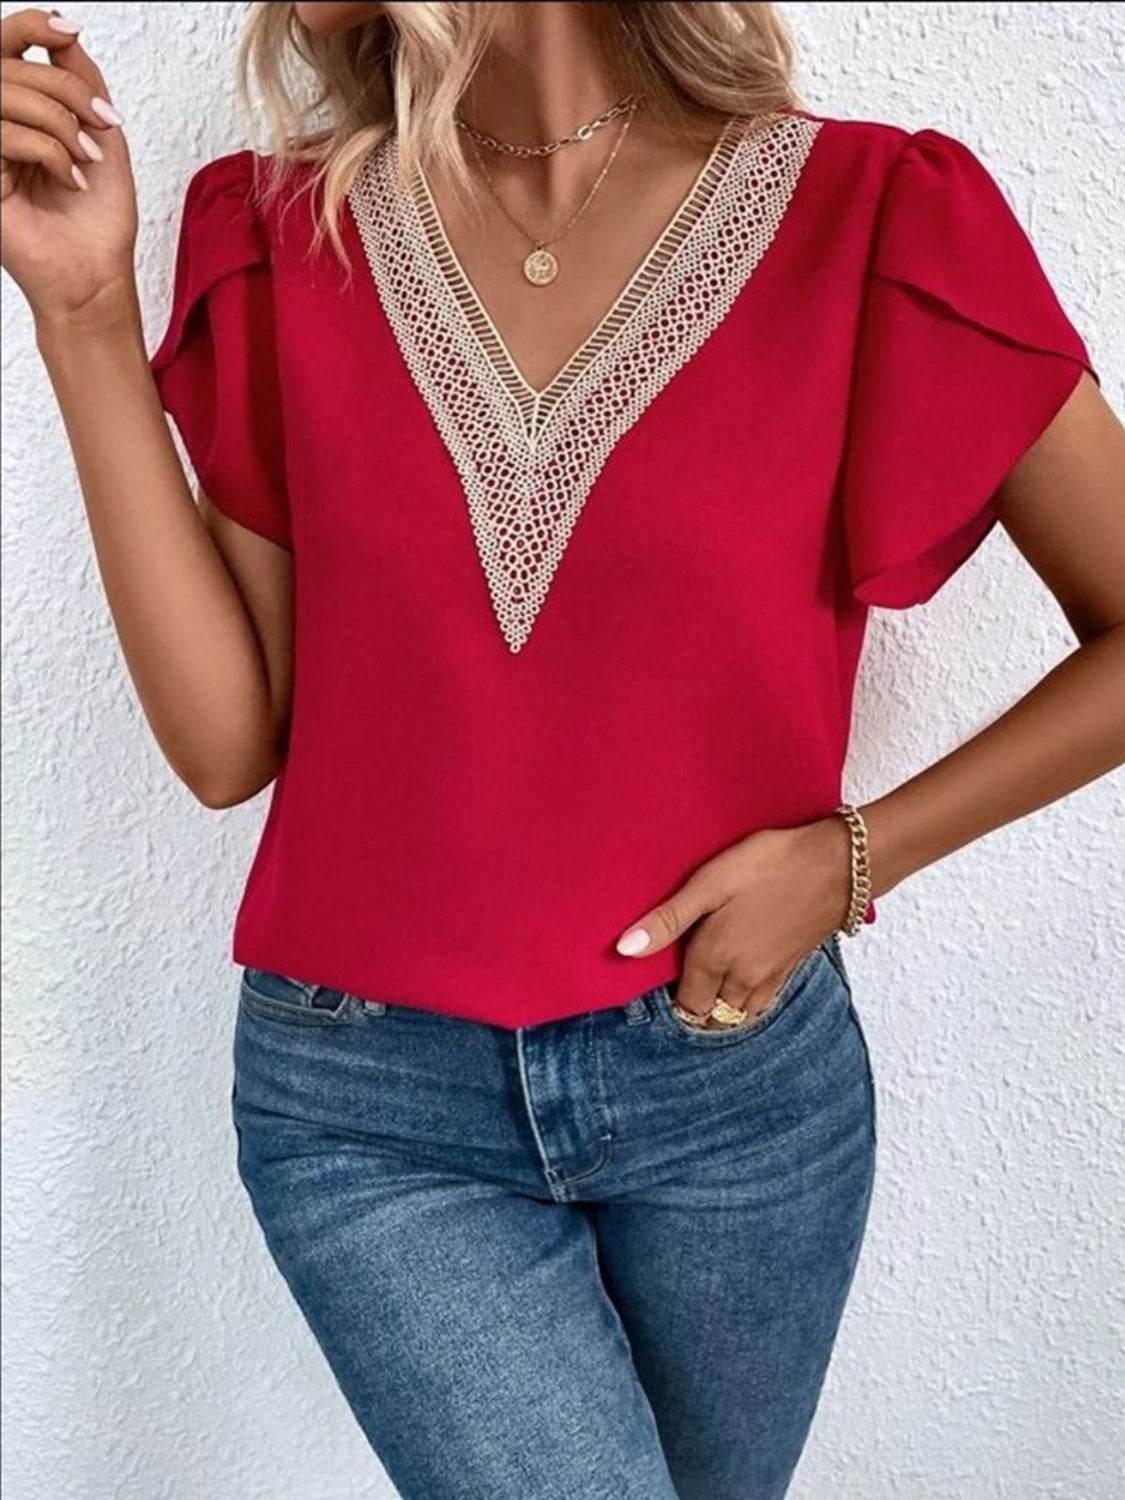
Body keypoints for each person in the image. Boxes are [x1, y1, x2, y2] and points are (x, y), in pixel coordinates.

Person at [3, 3, 1122, 1496]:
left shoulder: (874, 216)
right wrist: (83, 312)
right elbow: (224, 747)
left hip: (735, 1091)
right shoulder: (279, 233)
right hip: (367, 1104)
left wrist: (854, 858)